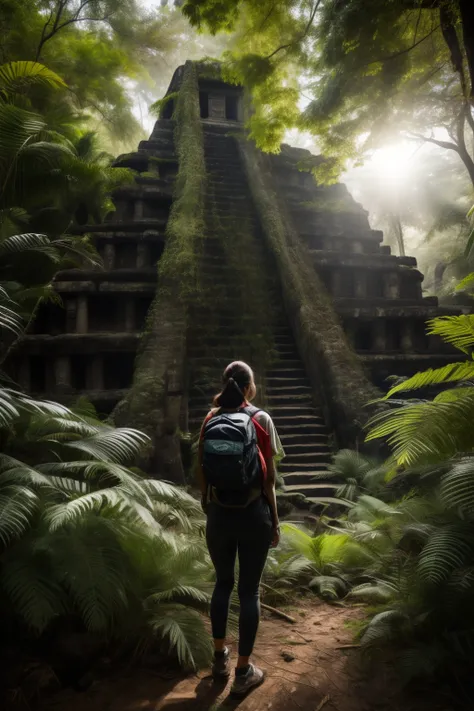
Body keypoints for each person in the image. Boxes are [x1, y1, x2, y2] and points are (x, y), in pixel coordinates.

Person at [197, 360, 284, 697]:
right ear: (249, 387)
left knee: (222, 583)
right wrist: (274, 519)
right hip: (253, 514)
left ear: (226, 383)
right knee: (249, 591)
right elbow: (270, 479)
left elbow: (201, 471)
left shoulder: (209, 418)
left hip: (219, 514)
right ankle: (244, 671)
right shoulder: (260, 419)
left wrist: (209, 505)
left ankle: (218, 660)